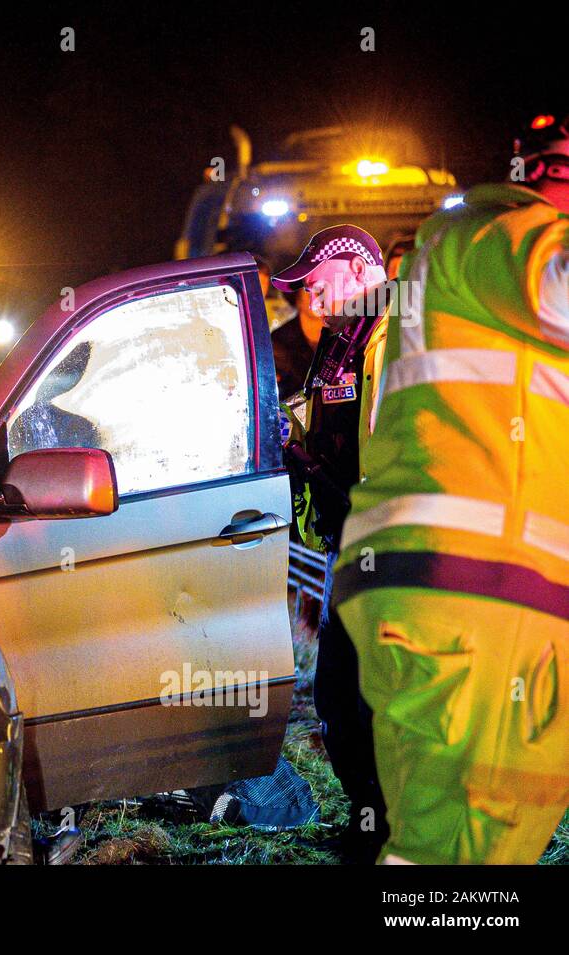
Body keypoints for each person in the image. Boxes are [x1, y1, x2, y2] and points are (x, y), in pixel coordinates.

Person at [332, 113, 569, 864]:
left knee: (468, 847)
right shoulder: (494, 230)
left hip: (489, 595)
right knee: (461, 858)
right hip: (478, 590)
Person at [271, 224, 391, 863]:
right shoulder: (341, 339)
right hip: (353, 539)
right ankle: (372, 821)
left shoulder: (392, 335)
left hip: (391, 544)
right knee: (342, 695)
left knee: (357, 692)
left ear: (353, 268)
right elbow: (334, 436)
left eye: (315, 279)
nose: (308, 293)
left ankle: (383, 830)